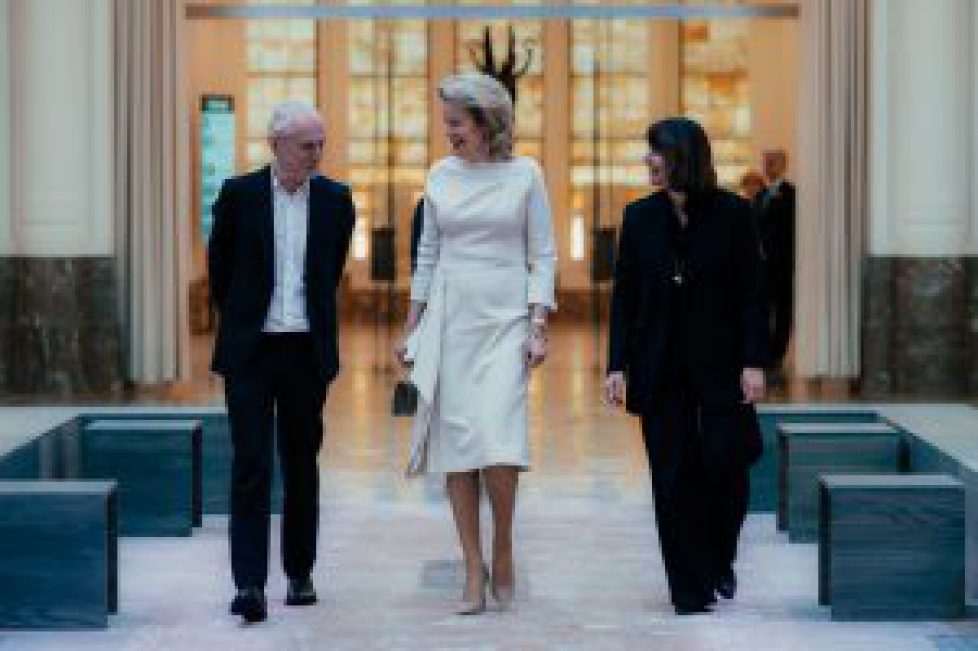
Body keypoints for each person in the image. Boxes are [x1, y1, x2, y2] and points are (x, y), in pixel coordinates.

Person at [396, 72, 556, 615]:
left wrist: (538, 324)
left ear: (487, 122)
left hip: (506, 321)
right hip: (451, 322)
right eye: (446, 123)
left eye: (457, 123)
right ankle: (471, 566)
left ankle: (503, 542)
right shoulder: (439, 175)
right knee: (456, 449)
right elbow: (426, 256)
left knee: (499, 440)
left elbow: (543, 254)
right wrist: (412, 326)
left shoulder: (526, 174)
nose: (449, 133)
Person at [604, 117, 767, 616]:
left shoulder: (734, 215)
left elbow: (752, 294)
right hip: (659, 365)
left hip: (721, 365)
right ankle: (688, 588)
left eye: (656, 151)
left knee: (726, 465)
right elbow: (625, 298)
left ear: (684, 157)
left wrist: (754, 361)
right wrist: (616, 365)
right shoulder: (639, 218)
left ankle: (718, 556)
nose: (648, 160)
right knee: (671, 477)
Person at [208, 100, 355, 624]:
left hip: (305, 352)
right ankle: (249, 584)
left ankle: (299, 572)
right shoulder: (238, 195)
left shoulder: (336, 200)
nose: (316, 154)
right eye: (306, 145)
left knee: (300, 464)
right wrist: (246, 320)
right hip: (251, 351)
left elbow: (330, 272)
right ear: (276, 144)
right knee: (251, 464)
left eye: (321, 145)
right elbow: (220, 271)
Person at [757, 149, 796, 378]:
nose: (768, 166)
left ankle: (777, 355)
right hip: (761, 265)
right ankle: (762, 351)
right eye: (765, 162)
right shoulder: (760, 194)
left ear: (783, 165)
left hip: (782, 263)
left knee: (782, 310)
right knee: (761, 310)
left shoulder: (792, 194)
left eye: (772, 162)